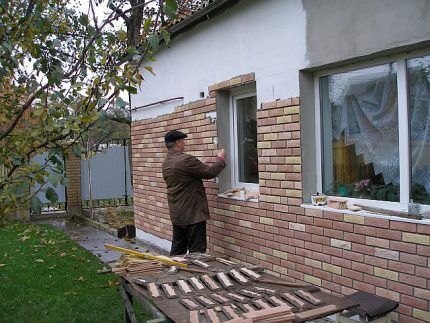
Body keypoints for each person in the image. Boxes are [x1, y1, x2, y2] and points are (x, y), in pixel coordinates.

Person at [162, 130, 226, 256]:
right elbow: (210, 173)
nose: (184, 143)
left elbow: (185, 175)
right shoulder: (186, 159)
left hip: (177, 213)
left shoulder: (166, 162)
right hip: (193, 214)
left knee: (178, 250)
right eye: (183, 141)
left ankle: (173, 272)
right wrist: (221, 159)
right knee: (196, 252)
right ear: (178, 143)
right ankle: (194, 275)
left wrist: (200, 165)